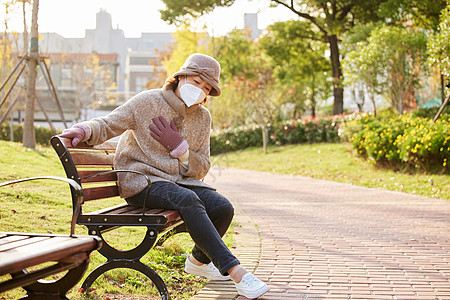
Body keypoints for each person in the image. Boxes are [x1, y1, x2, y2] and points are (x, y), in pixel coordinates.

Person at [59, 53, 269, 299]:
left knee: (222, 207)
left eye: (207, 87)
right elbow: (108, 123)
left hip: (178, 182)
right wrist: (84, 130)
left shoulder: (203, 118)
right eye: (196, 81)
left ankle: (198, 262)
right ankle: (237, 272)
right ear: (181, 77)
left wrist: (182, 151)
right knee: (187, 200)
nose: (200, 90)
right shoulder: (147, 102)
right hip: (141, 181)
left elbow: (203, 165)